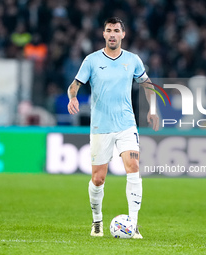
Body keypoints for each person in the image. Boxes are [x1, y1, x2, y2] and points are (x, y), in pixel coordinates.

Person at [67, 17, 159, 239]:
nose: (112, 34)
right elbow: (74, 85)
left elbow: (147, 84)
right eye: (108, 30)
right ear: (103, 34)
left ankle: (134, 224)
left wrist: (152, 109)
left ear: (123, 35)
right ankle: (97, 221)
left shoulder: (133, 60)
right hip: (101, 126)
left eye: (116, 30)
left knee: (133, 166)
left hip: (126, 124)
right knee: (98, 179)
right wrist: (73, 98)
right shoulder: (91, 60)